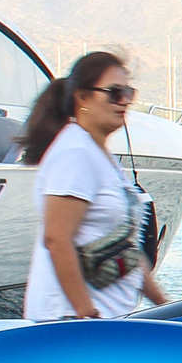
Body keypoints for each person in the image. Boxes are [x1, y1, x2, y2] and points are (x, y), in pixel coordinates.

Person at [21, 52, 168, 321]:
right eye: (114, 93)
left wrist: (164, 305)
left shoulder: (102, 158)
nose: (123, 102)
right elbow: (57, 238)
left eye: (128, 93)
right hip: (71, 321)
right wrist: (85, 313)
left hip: (111, 317)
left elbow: (126, 249)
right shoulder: (76, 154)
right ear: (83, 97)